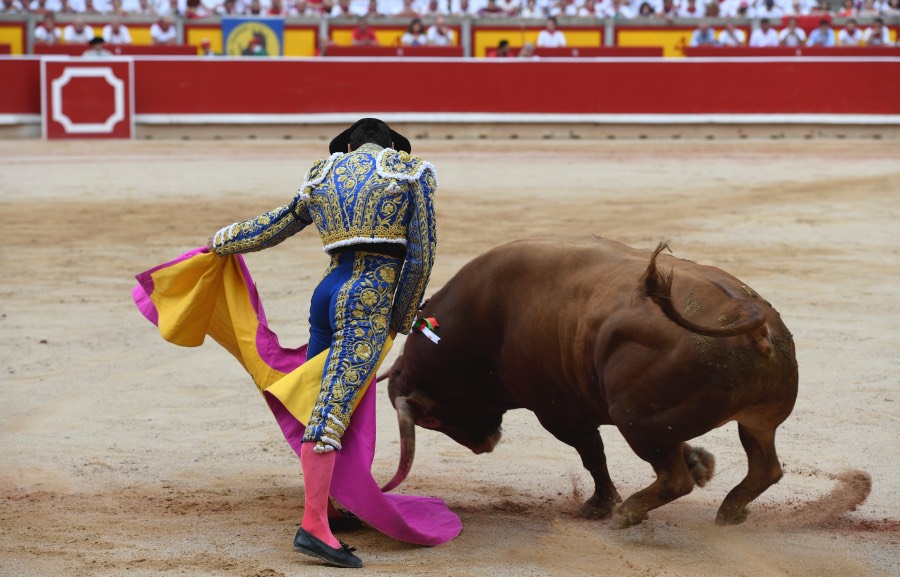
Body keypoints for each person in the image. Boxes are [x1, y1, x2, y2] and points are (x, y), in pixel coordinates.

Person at [206, 118, 437, 568]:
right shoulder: (411, 171)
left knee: (320, 398)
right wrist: (403, 315)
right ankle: (314, 524)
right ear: (391, 144)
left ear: (349, 145)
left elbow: (273, 226)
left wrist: (221, 242)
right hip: (368, 295)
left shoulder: (322, 174)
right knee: (332, 407)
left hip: (327, 293)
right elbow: (421, 253)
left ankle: (331, 503)